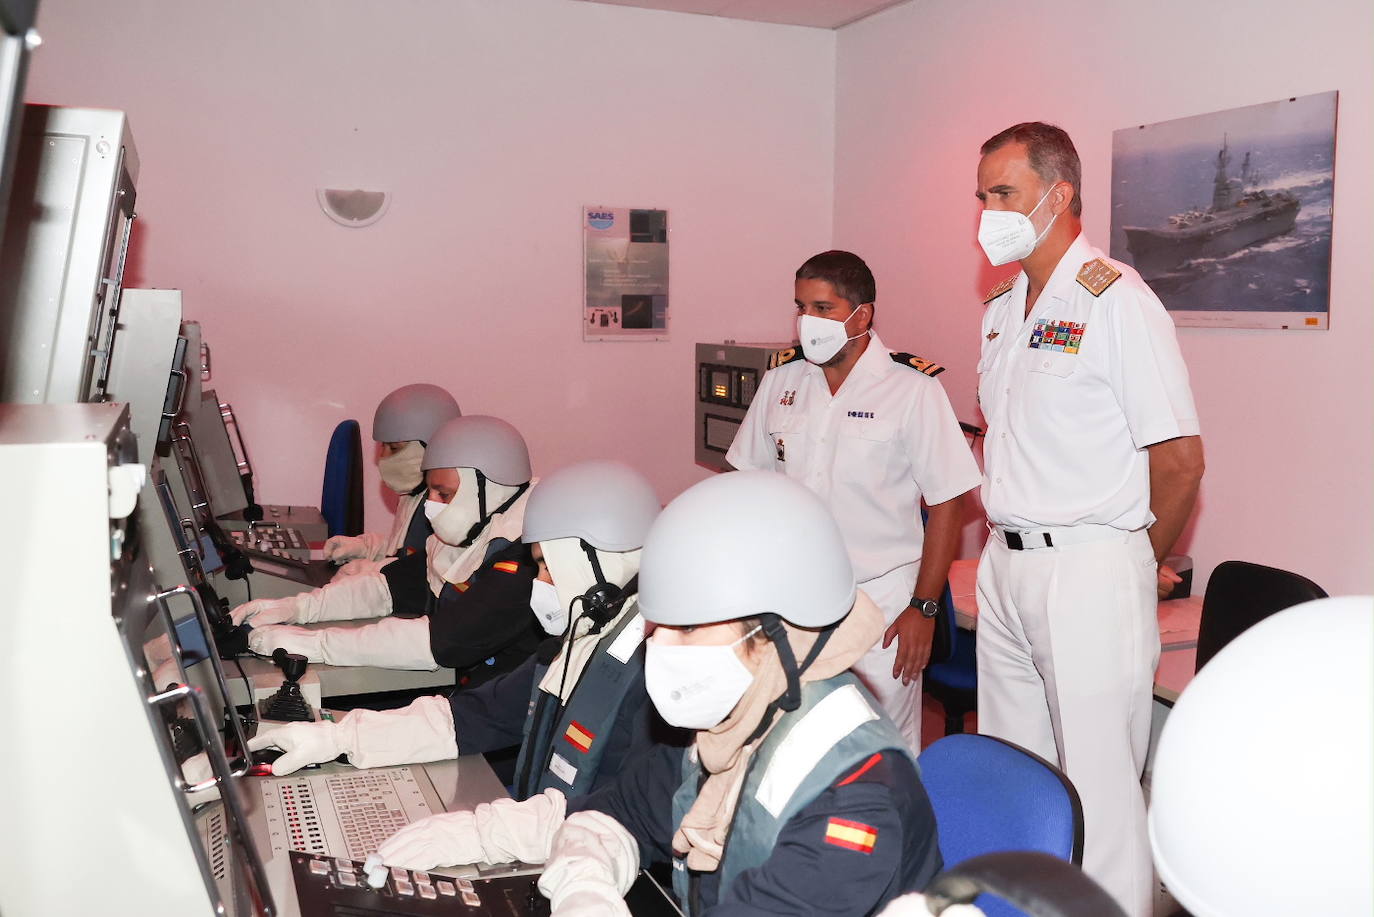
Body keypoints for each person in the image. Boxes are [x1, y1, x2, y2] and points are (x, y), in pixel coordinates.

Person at [376, 472, 943, 917]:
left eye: (688, 628)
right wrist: (575, 878)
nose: (659, 646)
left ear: (778, 631)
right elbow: (617, 811)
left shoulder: (856, 801)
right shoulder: (741, 719)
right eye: (659, 623)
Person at [972, 121, 1205, 917]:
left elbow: (1179, 461)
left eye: (1003, 192)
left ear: (1057, 194)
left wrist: (1135, 564)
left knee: (1099, 797)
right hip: (1005, 564)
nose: (987, 211)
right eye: (982, 195)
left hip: (1087, 566)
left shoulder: (1116, 299)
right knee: (1018, 776)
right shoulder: (1004, 305)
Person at [248, 459, 679, 802]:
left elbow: (627, 814)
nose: (538, 583)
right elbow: (480, 715)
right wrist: (342, 737)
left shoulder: (651, 675)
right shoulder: (579, 642)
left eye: (546, 566)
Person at [725, 251, 981, 746]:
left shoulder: (912, 390)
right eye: (801, 308)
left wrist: (924, 610)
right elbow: (744, 484)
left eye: (823, 308)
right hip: (793, 599)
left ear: (861, 315)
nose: (807, 322)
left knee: (882, 742)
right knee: (792, 736)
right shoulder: (782, 381)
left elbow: (948, 503)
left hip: (881, 599)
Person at [232, 415, 537, 675]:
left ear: (489, 491)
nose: (432, 507)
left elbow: (439, 642)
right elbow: (388, 587)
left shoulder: (525, 558)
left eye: (443, 495)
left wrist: (315, 644)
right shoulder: (477, 529)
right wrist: (299, 607)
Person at [321, 383, 461, 574]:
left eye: (394, 448)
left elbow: (424, 573)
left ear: (433, 446)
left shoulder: (445, 507)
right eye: (383, 447)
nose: (383, 458)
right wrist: (367, 548)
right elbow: (406, 550)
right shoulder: (413, 495)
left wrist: (371, 572)